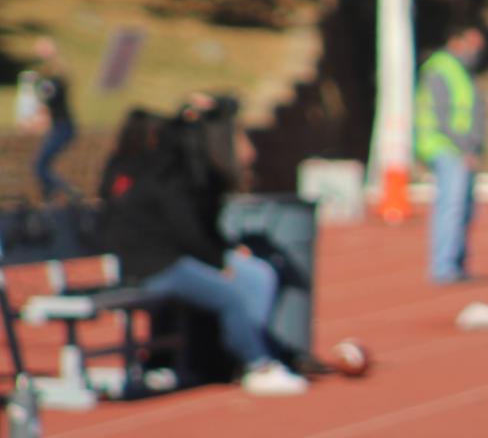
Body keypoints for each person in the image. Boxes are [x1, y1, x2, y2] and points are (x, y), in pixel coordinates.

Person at [100, 106, 306, 397]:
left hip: (161, 263)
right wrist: (218, 262)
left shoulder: (140, 171)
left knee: (253, 279)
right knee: (231, 296)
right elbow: (184, 231)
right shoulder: (155, 176)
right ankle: (256, 364)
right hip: (156, 268)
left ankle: (245, 352)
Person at [414, 23, 487, 284]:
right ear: (457, 42)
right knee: (451, 206)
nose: (477, 52)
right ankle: (444, 267)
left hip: (460, 148)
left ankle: (456, 262)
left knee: (464, 208)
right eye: (473, 45)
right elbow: (443, 115)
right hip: (446, 148)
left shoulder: (462, 71)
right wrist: (466, 149)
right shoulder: (441, 69)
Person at [26, 36, 78, 200]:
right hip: (58, 126)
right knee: (41, 165)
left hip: (63, 127)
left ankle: (66, 192)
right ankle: (51, 196)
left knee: (40, 165)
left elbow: (61, 74)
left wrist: (52, 55)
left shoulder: (56, 80)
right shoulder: (46, 80)